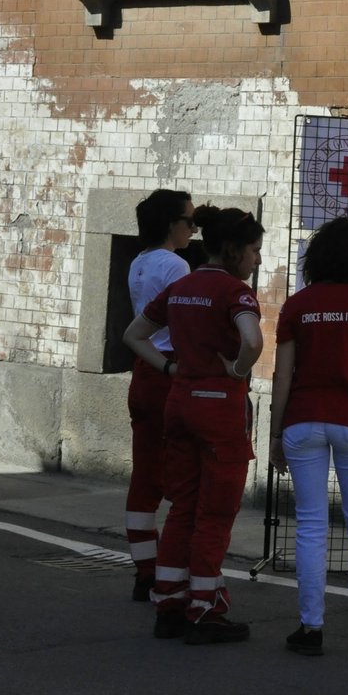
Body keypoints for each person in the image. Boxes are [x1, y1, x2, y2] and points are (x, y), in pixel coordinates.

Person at [124, 206, 264, 645]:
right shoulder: (236, 292)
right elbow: (254, 339)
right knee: (215, 513)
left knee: (182, 506)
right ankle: (204, 609)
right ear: (235, 250)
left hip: (179, 402)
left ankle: (168, 602)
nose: (257, 260)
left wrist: (167, 370)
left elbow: (133, 334)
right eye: (255, 251)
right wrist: (240, 369)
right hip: (219, 409)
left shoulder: (182, 286)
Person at [269, 218, 348, 657]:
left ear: (318, 257)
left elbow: (282, 374)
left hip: (303, 420)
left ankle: (311, 629)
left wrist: (274, 435)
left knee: (310, 525)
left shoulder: (297, 304)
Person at [123, 188, 194, 602]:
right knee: (184, 480)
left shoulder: (138, 263)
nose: (192, 228)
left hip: (144, 370)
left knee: (144, 476)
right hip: (171, 368)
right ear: (172, 224)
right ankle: (174, 575)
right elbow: (187, 320)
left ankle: (144, 571)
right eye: (189, 221)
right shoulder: (177, 265)